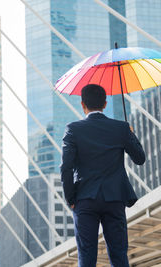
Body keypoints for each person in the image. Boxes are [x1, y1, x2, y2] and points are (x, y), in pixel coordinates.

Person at [60, 84, 146, 267]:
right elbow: (140, 158)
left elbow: (65, 168)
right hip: (115, 199)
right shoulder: (120, 128)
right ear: (105, 104)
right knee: (119, 254)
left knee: (86, 257)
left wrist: (71, 199)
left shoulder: (73, 129)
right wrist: (130, 133)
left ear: (82, 104)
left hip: (84, 199)